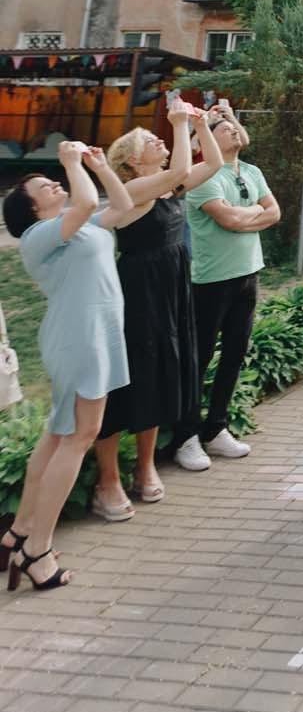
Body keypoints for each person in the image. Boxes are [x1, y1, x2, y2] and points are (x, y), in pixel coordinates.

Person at [1, 141, 164, 590]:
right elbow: (88, 201)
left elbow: (123, 207)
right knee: (79, 437)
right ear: (31, 210)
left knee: (59, 434)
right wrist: (73, 164)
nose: (56, 185)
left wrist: (98, 165)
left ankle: (20, 532)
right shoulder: (39, 236)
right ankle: (37, 550)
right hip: (79, 339)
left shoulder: (76, 226)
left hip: (94, 337)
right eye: (45, 187)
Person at [90, 100, 209, 518]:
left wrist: (200, 125)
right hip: (137, 292)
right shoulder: (133, 192)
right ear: (132, 161)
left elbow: (210, 164)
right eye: (149, 140)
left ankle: (145, 468)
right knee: (127, 378)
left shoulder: (167, 187)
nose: (159, 140)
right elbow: (179, 170)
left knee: (158, 372)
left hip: (170, 291)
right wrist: (178, 123)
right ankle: (107, 479)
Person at [174, 100, 280, 470]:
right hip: (211, 281)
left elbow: (274, 212)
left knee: (234, 354)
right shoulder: (203, 177)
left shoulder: (251, 171)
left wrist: (246, 215)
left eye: (234, 125)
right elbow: (229, 220)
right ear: (207, 139)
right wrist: (254, 213)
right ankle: (185, 436)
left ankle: (215, 428)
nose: (233, 128)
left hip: (248, 275)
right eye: (223, 127)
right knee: (199, 358)